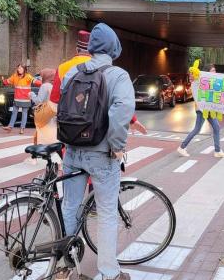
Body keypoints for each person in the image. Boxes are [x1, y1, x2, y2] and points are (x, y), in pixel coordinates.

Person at [60, 23, 133, 280]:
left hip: (72, 151)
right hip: (101, 153)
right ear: (114, 48)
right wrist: (117, 147)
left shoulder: (72, 73)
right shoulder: (118, 75)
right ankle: (108, 273)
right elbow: (122, 111)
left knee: (69, 206)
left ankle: (66, 266)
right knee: (106, 212)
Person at [49, 30, 147, 135]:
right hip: (95, 132)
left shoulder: (63, 68)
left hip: (69, 132)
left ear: (76, 49)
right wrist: (133, 120)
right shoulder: (104, 68)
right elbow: (118, 102)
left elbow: (54, 99)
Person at [176, 64, 224, 158]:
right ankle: (182, 147)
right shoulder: (199, 80)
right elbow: (193, 78)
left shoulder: (213, 81)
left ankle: (218, 150)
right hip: (201, 109)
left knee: (216, 127)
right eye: (212, 70)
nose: (214, 72)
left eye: (215, 70)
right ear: (207, 72)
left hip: (209, 109)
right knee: (197, 129)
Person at [25, 68, 57, 165]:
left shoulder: (45, 86)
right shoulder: (54, 86)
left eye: (42, 75)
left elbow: (39, 100)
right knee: (53, 138)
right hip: (52, 114)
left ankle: (33, 158)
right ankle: (60, 161)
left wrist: (31, 95)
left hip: (44, 115)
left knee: (38, 136)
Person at [1, 64, 37, 134]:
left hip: (25, 99)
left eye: (20, 68)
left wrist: (43, 83)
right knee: (14, 112)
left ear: (24, 69)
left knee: (24, 113)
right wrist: (3, 81)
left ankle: (22, 128)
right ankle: (10, 127)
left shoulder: (28, 76)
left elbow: (35, 82)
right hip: (17, 98)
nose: (19, 69)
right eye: (18, 68)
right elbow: (7, 82)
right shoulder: (15, 76)